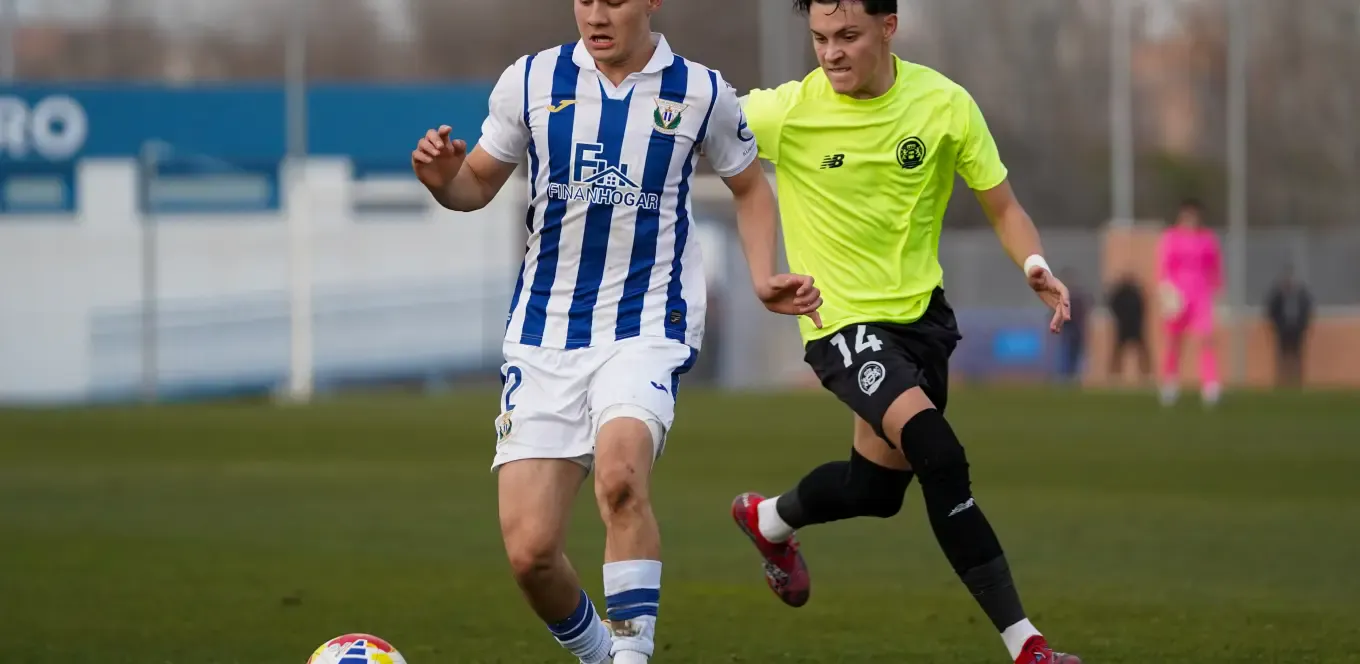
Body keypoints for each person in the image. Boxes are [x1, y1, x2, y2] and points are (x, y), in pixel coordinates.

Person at [410, 2, 822, 662]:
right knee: (531, 554)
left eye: (615, 0)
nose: (597, 15)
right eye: (586, 0)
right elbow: (475, 184)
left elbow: (750, 187)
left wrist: (763, 274)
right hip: (544, 332)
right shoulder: (531, 81)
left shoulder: (700, 91)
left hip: (646, 323)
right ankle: (602, 655)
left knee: (621, 477)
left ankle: (633, 655)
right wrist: (442, 182)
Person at [727, 2, 1081, 663]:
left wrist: (1034, 264)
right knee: (939, 454)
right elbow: (692, 120)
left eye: (848, 36)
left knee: (876, 490)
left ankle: (766, 518)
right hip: (838, 322)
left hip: (922, 323)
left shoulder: (944, 106)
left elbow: (1003, 206)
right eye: (820, 38)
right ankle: (1027, 644)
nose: (831, 53)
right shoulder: (786, 111)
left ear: (888, 26)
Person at [1155, 198, 1223, 407]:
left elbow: (1215, 267)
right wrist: (1166, 292)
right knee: (1174, 340)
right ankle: (1170, 384)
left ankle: (1210, 385)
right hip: (1177, 295)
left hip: (1201, 294)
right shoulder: (1171, 237)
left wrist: (1217, 290)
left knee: (1206, 339)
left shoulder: (1207, 238)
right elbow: (1164, 266)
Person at [1266, 266, 1313, 387]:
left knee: (1297, 356)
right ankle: (1282, 381)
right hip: (1283, 329)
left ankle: (1297, 381)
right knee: (1283, 356)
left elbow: (1307, 310)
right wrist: (1278, 325)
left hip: (1297, 329)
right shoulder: (1278, 294)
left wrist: (1302, 325)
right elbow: (1271, 311)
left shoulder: (1301, 294)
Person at [1106, 271, 1151, 380]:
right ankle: (1114, 374)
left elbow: (1144, 307)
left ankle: (1146, 373)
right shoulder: (1120, 294)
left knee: (1142, 351)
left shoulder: (1136, 293)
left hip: (1135, 326)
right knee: (1117, 352)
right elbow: (1112, 305)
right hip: (1123, 326)